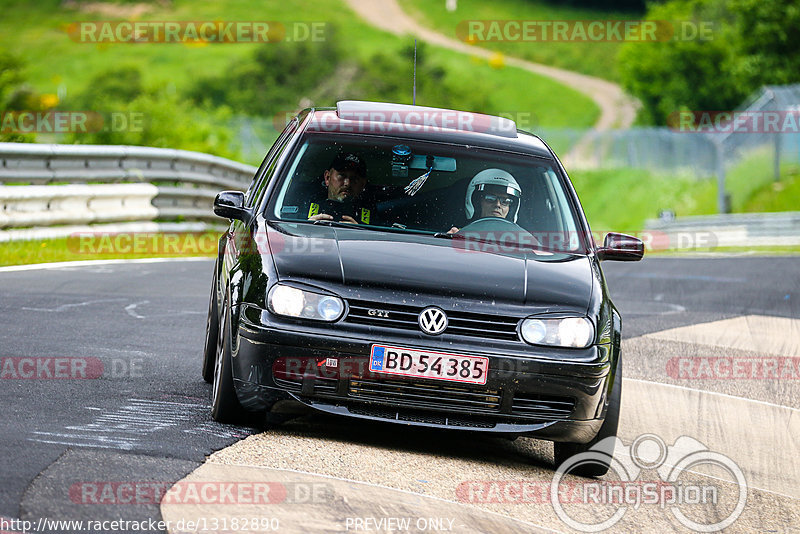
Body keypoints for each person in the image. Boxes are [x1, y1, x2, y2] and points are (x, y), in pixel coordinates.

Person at [447, 168, 522, 234]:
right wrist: (453, 239)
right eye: (490, 199)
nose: (498, 204)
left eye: (505, 202)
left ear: (511, 209)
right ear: (477, 202)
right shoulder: (461, 234)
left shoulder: (520, 241)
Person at [306, 152, 372, 224]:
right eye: (342, 176)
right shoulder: (304, 207)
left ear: (362, 184)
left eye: (354, 178)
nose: (347, 183)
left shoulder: (372, 218)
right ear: (327, 178)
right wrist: (308, 227)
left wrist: (361, 232)